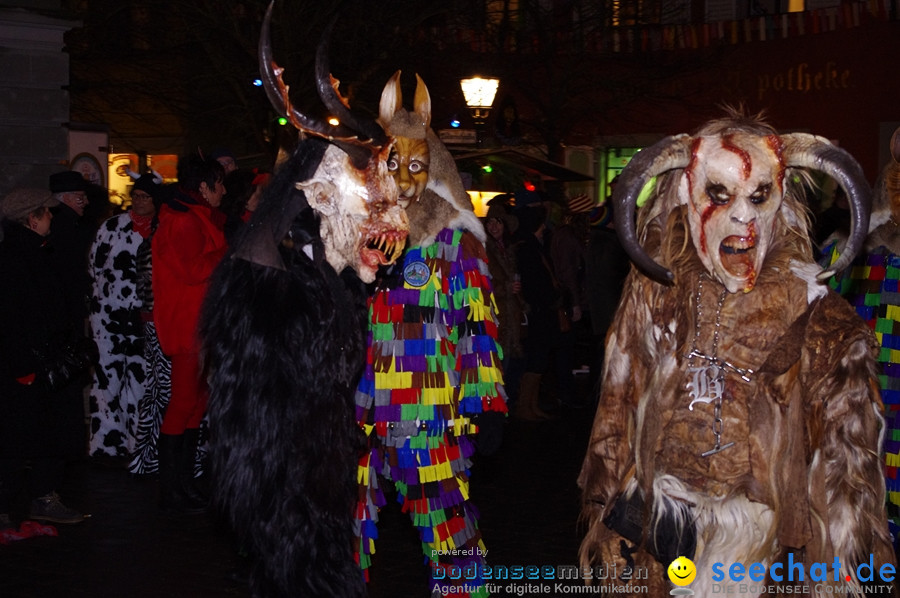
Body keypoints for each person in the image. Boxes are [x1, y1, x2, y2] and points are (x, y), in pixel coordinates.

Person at [578, 113, 896, 594]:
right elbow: (618, 405)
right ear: (687, 194)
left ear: (780, 199)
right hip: (663, 523)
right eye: (719, 194)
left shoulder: (814, 315)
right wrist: (606, 510)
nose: (742, 216)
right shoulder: (654, 295)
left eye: (758, 196)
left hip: (757, 541)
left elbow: (846, 466)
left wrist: (836, 565)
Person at [353, 71, 507, 598]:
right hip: (364, 415)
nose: (404, 178)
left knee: (446, 525)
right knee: (349, 526)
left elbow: (477, 325)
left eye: (416, 165)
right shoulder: (358, 245)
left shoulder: (454, 246)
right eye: (393, 164)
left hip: (431, 420)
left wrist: (483, 403)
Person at [0, 188, 96, 526]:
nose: (52, 217)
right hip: (27, 366)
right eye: (46, 212)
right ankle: (10, 505)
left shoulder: (37, 252)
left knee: (46, 435)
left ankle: (42, 497)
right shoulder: (14, 259)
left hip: (44, 363)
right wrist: (23, 367)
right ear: (31, 218)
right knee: (18, 438)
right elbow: (13, 318)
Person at [152, 155, 227, 513]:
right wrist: (225, 254)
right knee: (183, 403)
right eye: (218, 183)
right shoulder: (182, 221)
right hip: (187, 323)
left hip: (200, 321)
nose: (223, 191)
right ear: (203, 187)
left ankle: (183, 483)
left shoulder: (193, 217)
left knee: (196, 403)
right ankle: (170, 488)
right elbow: (193, 270)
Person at [86, 174, 160, 461]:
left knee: (142, 382)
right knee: (107, 380)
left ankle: (139, 445)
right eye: (136, 195)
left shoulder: (162, 228)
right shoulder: (112, 227)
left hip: (145, 318)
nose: (139, 201)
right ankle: (106, 444)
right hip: (109, 317)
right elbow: (94, 265)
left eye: (145, 197)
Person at [128, 178, 171, 476]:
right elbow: (151, 282)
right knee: (162, 389)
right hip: (159, 322)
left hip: (156, 321)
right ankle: (148, 457)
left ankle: (146, 457)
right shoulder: (156, 241)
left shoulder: (153, 239)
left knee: (159, 389)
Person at [483, 202, 525, 408]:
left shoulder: (510, 249)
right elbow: (482, 283)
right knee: (497, 365)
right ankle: (495, 409)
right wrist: (505, 287)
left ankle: (504, 408)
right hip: (495, 317)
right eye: (489, 222)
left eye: (497, 222)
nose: (493, 226)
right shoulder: (484, 250)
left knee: (510, 365)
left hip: (511, 316)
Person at [49, 170, 95, 329]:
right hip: (66, 302)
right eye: (81, 197)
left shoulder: (60, 222)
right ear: (66, 197)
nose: (86, 202)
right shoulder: (68, 226)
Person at [220, 167, 268, 244]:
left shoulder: (258, 216)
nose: (261, 199)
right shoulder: (232, 228)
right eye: (257, 195)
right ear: (244, 195)